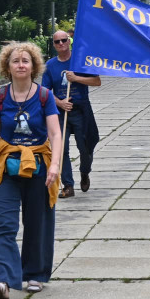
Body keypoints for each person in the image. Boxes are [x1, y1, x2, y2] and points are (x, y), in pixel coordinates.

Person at [0, 41, 62, 299]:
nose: (21, 65)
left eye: (26, 61)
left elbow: (55, 133)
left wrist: (55, 165)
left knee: (37, 222)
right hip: (4, 166)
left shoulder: (45, 96)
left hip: (38, 165)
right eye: (16, 61)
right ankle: (3, 280)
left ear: (34, 66)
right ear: (7, 67)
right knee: (5, 224)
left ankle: (34, 273)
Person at [41, 30, 102, 198]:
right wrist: (59, 102)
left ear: (69, 41)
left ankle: (84, 172)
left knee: (85, 147)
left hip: (81, 110)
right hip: (60, 113)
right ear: (54, 45)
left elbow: (97, 81)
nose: (61, 44)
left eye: (63, 40)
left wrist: (76, 78)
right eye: (57, 42)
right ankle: (68, 185)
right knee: (61, 148)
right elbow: (45, 92)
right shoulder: (51, 66)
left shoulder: (80, 60)